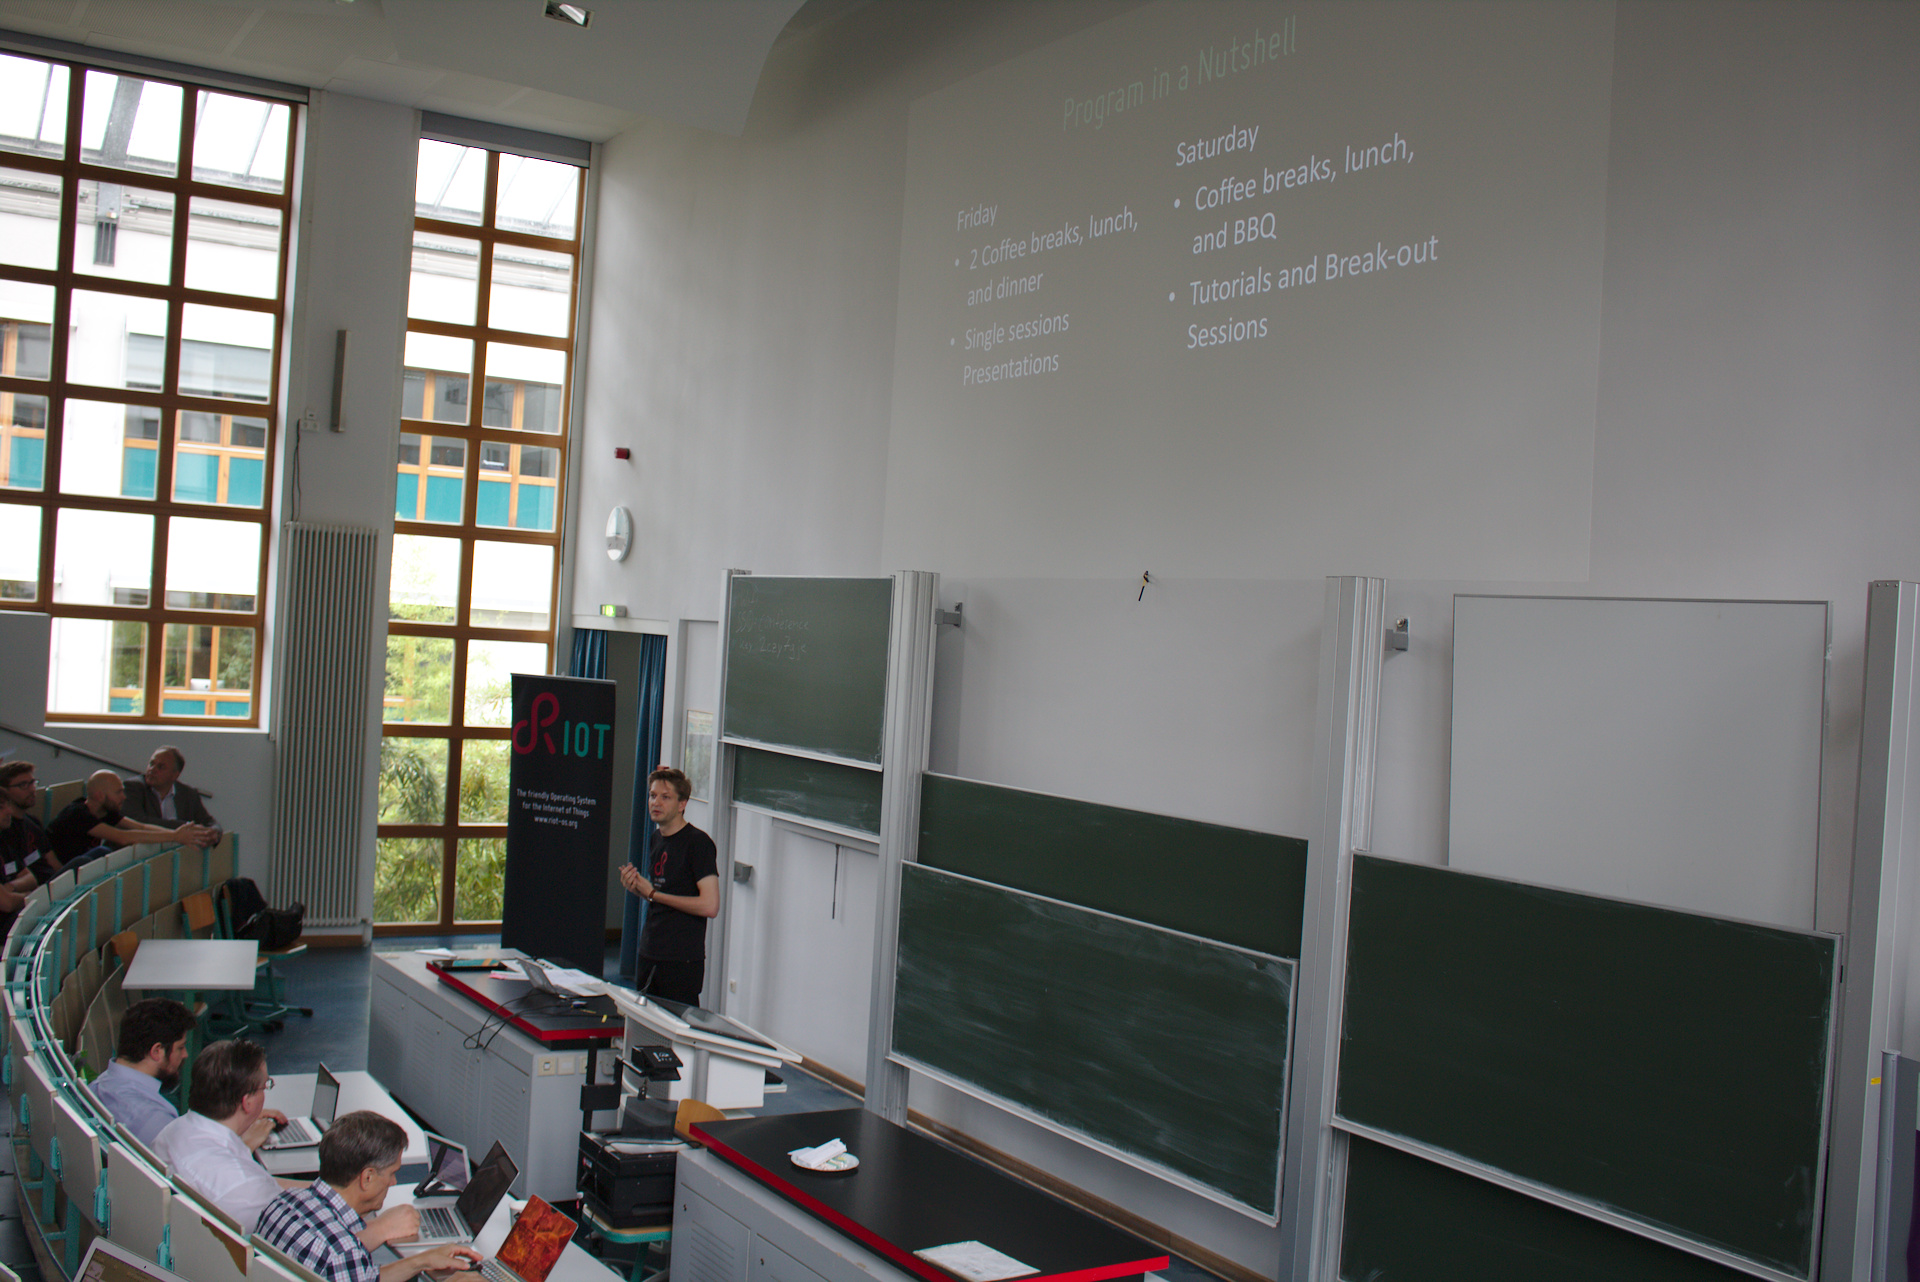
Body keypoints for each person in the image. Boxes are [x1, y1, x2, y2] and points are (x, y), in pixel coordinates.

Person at [256, 1111, 481, 1282]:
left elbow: (364, 1278)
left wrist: (421, 1261)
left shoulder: (282, 1203)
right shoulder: (342, 1252)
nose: (393, 1182)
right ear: (367, 1178)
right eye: (392, 1173)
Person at [151, 1038, 301, 1232]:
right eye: (265, 1086)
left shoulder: (172, 1131)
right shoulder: (245, 1187)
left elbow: (268, 1185)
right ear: (247, 1102)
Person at [619, 766, 719, 1005]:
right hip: (650, 950)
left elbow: (710, 905)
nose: (656, 802)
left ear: (682, 804)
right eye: (653, 796)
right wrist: (638, 889)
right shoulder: (657, 838)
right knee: (644, 1020)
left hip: (680, 958)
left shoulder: (698, 843)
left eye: (665, 797)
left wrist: (653, 893)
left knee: (675, 1024)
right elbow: (662, 894)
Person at [47, 769, 213, 868]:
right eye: (118, 792)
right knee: (103, 852)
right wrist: (175, 836)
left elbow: (141, 827)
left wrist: (179, 834)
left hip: (74, 869)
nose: (124, 797)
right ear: (99, 796)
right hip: (55, 874)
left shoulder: (104, 810)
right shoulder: (78, 814)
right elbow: (123, 837)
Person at [91, 998, 197, 1147]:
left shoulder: (97, 1086)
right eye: (180, 1047)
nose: (185, 1054)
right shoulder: (155, 1120)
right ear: (156, 1051)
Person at [0, 761, 56, 937]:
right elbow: (6, 903)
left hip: (17, 909)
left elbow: (30, 877)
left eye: (32, 783)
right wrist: (32, 897)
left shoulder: (3, 841)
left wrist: (12, 887)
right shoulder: (7, 834)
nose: (9, 811)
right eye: (1, 807)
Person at [122, 745, 222, 839]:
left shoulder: (189, 794)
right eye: (151, 764)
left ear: (175, 775)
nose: (152, 769)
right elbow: (136, 821)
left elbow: (210, 823)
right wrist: (184, 826)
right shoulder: (133, 787)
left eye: (161, 767)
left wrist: (213, 832)